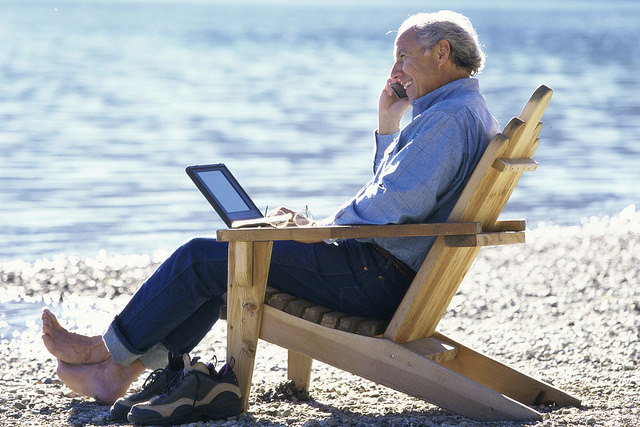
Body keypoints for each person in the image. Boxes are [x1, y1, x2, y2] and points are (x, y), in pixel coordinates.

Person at [41, 10, 499, 425]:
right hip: (378, 267)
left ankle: (103, 353)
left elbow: (396, 204)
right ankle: (119, 369)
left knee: (203, 258)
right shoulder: (459, 111)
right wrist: (387, 124)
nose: (395, 70)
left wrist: (317, 232)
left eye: (403, 56)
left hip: (372, 276)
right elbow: (398, 196)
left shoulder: (448, 119)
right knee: (230, 254)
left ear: (442, 53)